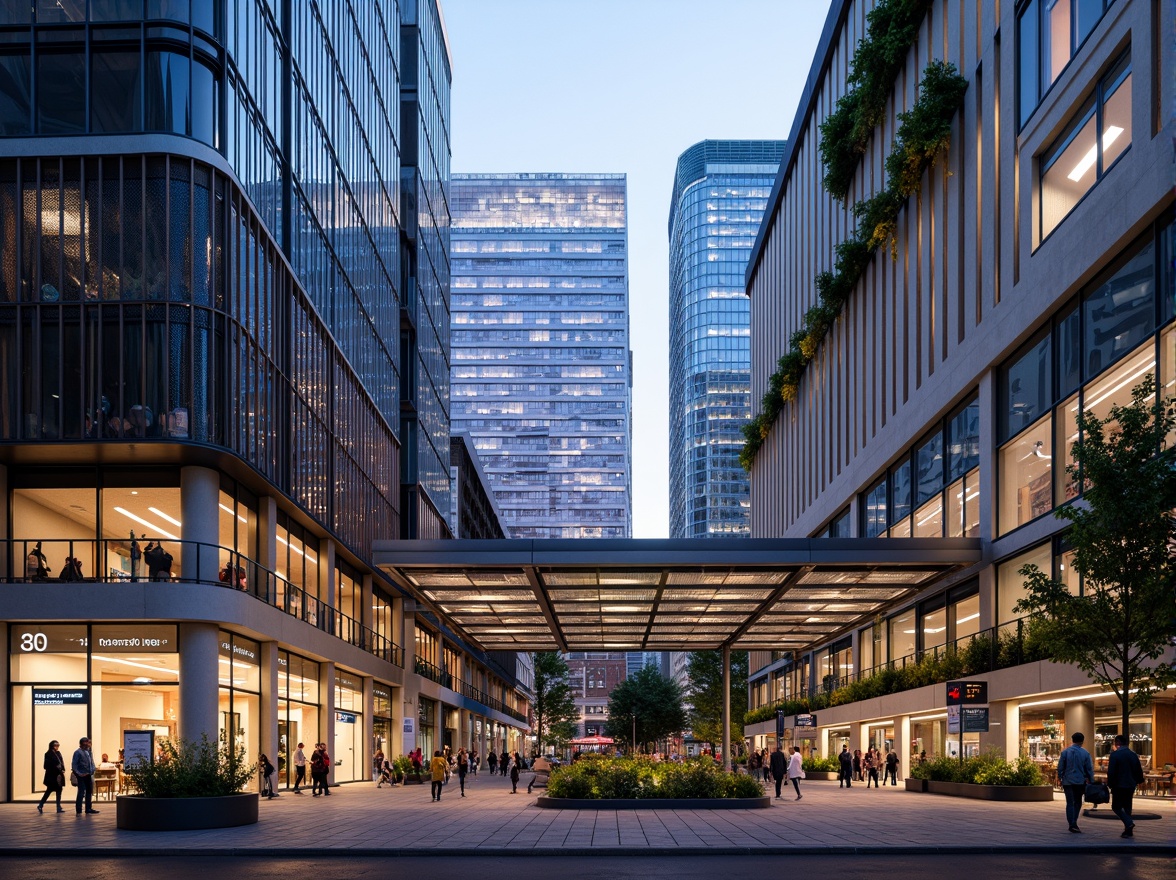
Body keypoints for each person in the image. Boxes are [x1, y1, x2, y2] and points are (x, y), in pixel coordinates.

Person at [1106, 734, 1145, 838]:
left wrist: (1110, 783)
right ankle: (1128, 830)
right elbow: (1138, 770)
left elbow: (1111, 772)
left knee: (1116, 806)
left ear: (1118, 742)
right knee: (1128, 806)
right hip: (1130, 784)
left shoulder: (1115, 755)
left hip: (1119, 784)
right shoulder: (1133, 754)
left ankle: (1128, 823)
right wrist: (1138, 781)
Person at [1056, 731, 1094, 833]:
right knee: (1078, 802)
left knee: (1069, 803)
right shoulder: (1085, 753)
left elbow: (1060, 767)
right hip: (1080, 781)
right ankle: (1074, 821)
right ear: (1082, 741)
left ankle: (1071, 823)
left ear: (1072, 740)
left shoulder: (1065, 752)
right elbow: (1089, 768)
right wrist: (1091, 779)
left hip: (1068, 781)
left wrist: (1060, 777)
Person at [72, 736, 99, 814]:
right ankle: (79, 809)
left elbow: (91, 762)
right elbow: (74, 765)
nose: (88, 744)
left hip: (88, 774)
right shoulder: (78, 752)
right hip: (82, 775)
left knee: (89, 791)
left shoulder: (89, 752)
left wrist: (93, 769)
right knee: (81, 792)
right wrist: (79, 774)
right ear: (82, 743)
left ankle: (88, 808)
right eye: (87, 742)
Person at [38, 740, 66, 813]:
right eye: (55, 745)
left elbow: (61, 762)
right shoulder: (48, 754)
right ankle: (41, 804)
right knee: (49, 791)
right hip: (52, 776)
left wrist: (62, 769)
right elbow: (46, 766)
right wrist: (55, 767)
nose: (57, 747)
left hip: (58, 775)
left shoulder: (58, 753)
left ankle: (58, 806)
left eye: (58, 745)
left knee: (59, 790)